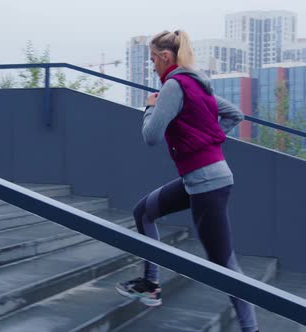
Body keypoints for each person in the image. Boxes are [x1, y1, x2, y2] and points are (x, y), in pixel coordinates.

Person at [115, 30, 259, 332]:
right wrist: (207, 139)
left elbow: (151, 136)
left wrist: (150, 105)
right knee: (143, 211)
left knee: (226, 266)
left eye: (153, 59)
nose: (152, 66)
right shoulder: (197, 84)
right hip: (201, 179)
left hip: (208, 185)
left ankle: (251, 329)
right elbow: (235, 114)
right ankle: (150, 284)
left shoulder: (172, 86)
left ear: (166, 57)